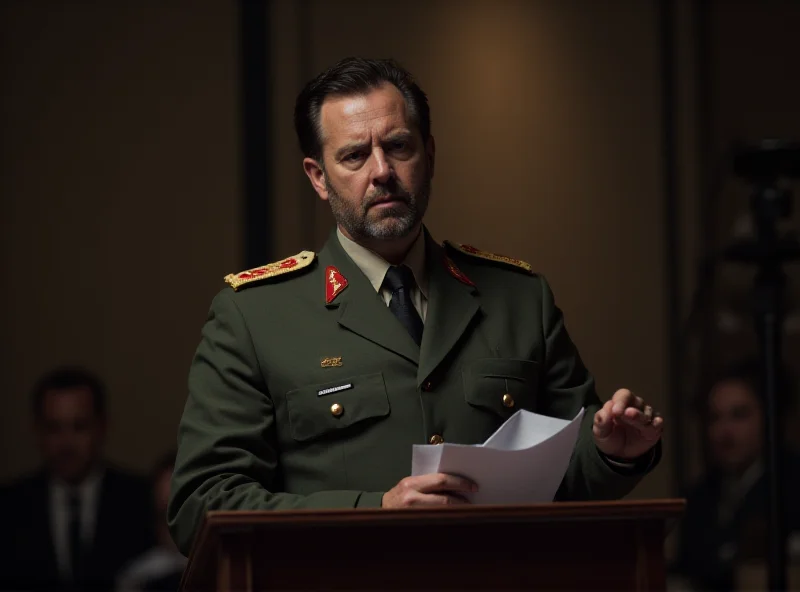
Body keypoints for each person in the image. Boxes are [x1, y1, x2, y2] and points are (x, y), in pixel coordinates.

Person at [167, 57, 665, 555]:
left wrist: (612, 454)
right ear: (318, 177)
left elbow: (566, 470)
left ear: (429, 153)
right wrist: (372, 513)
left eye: (398, 146)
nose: (382, 171)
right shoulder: (253, 316)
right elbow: (202, 505)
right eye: (355, 156)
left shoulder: (519, 297)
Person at [0, 367, 155, 591]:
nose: (66, 443)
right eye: (54, 428)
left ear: (102, 427)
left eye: (79, 427)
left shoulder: (140, 500)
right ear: (37, 431)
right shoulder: (9, 507)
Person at [670, 359, 800, 591]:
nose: (724, 432)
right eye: (714, 418)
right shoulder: (700, 496)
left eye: (739, 415)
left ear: (771, 417)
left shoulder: (791, 483)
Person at [116, 452, 187, 592]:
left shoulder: (225, 569)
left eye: (180, 513)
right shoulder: (137, 578)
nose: (172, 526)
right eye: (163, 515)